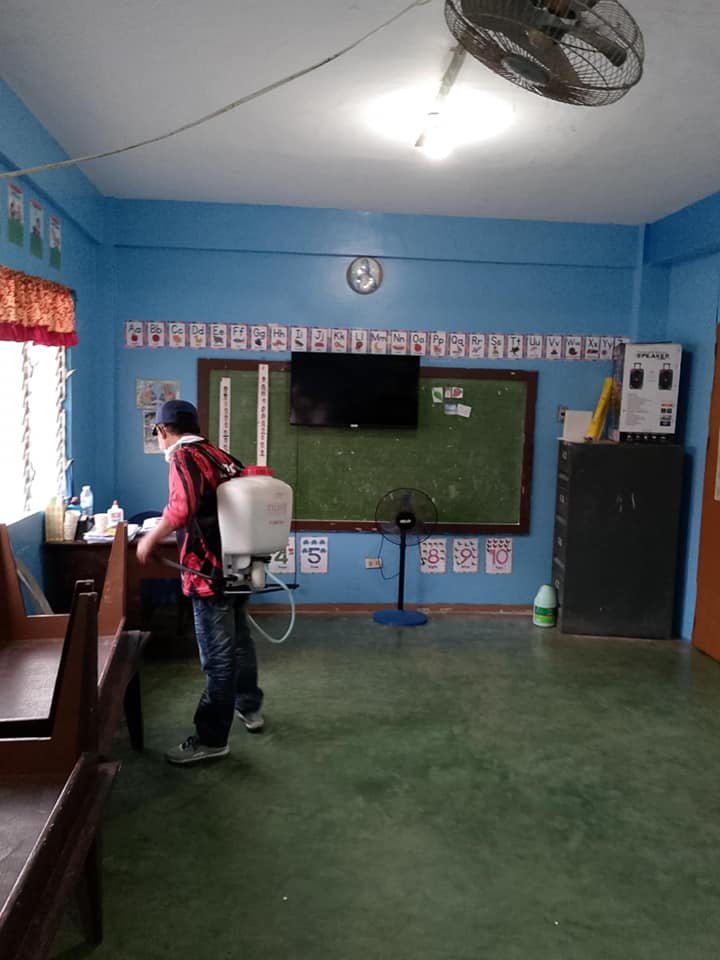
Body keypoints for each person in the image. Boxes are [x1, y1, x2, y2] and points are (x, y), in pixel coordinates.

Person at [136, 399, 264, 765]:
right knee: (240, 643)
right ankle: (249, 707)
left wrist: (149, 539)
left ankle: (211, 739)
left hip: (209, 573)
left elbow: (182, 507)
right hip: (240, 564)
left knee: (219, 659)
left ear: (163, 430)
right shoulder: (220, 456)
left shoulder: (184, 456)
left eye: (157, 432)